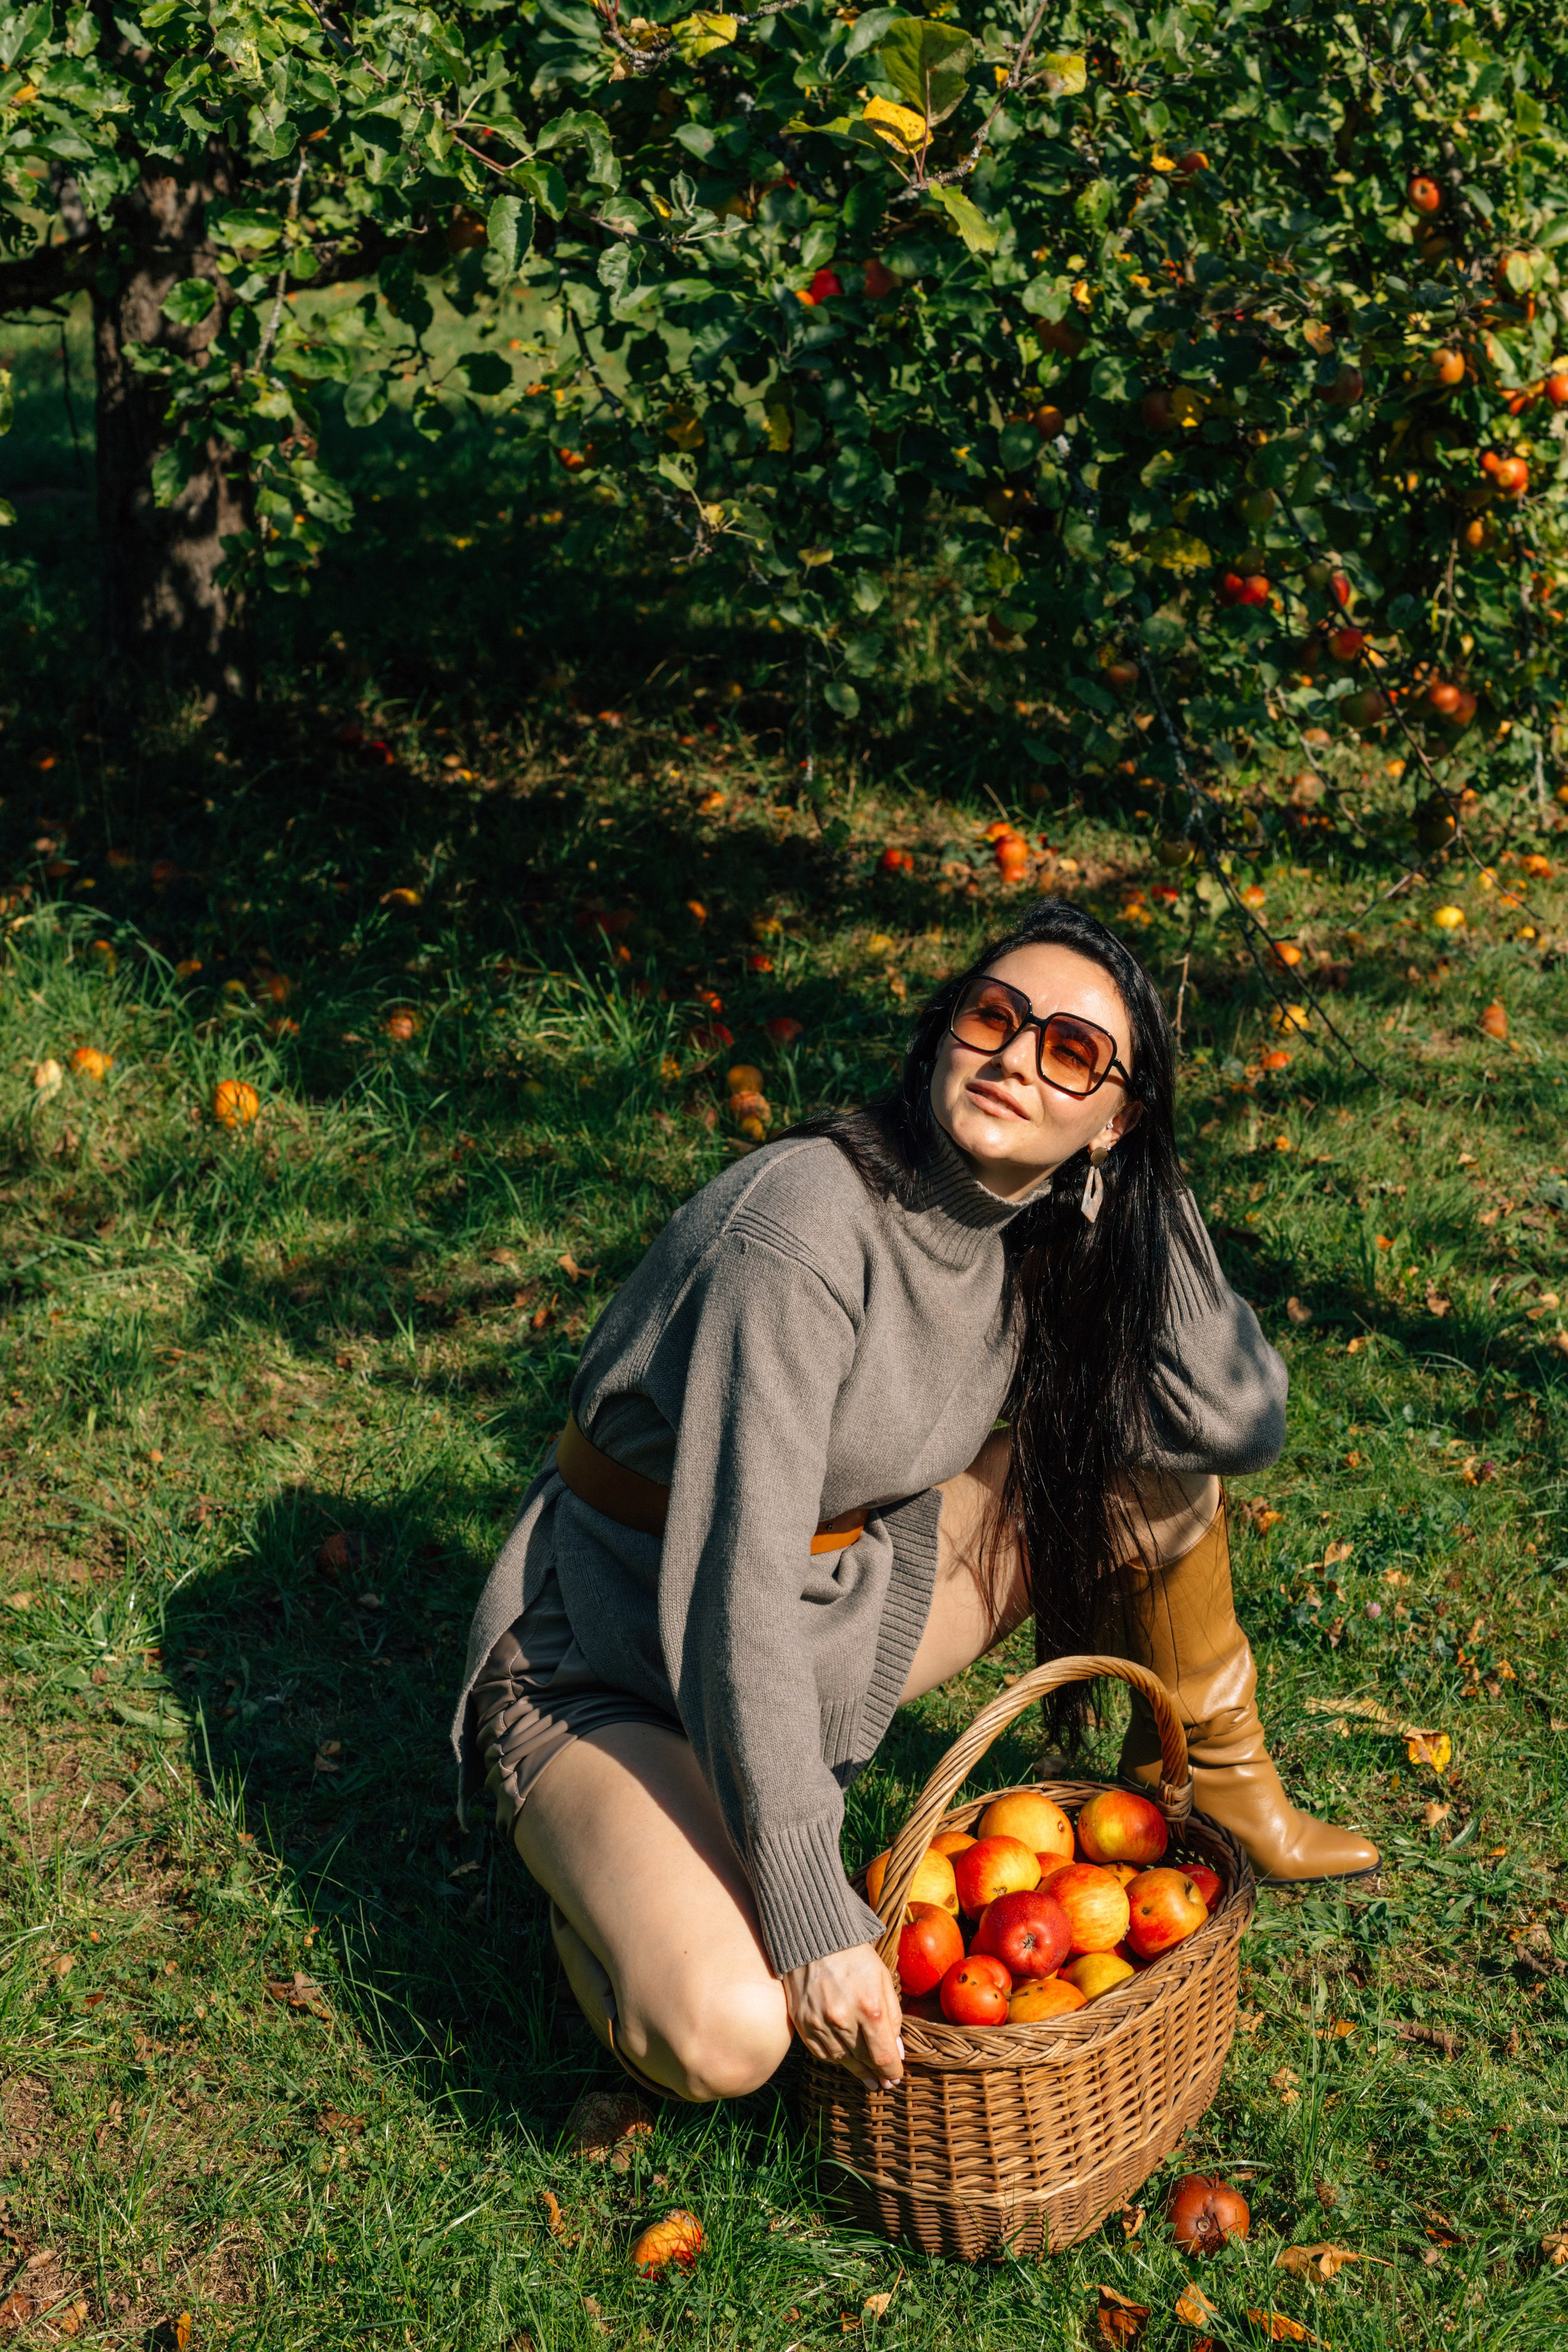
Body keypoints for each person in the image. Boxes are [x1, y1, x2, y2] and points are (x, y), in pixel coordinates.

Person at [451, 899, 1377, 2102]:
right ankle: (608, 1897)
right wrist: (806, 1912)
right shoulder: (800, 1229)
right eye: (995, 1016)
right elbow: (733, 1587)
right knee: (732, 2033)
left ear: (1113, 1116)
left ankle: (1223, 1787)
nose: (1016, 1057)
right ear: (946, 1030)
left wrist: (1147, 1187)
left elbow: (1229, 1420)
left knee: (1148, 1477)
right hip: (613, 1654)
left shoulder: (1028, 1227)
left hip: (835, 1598)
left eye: (1072, 1052)